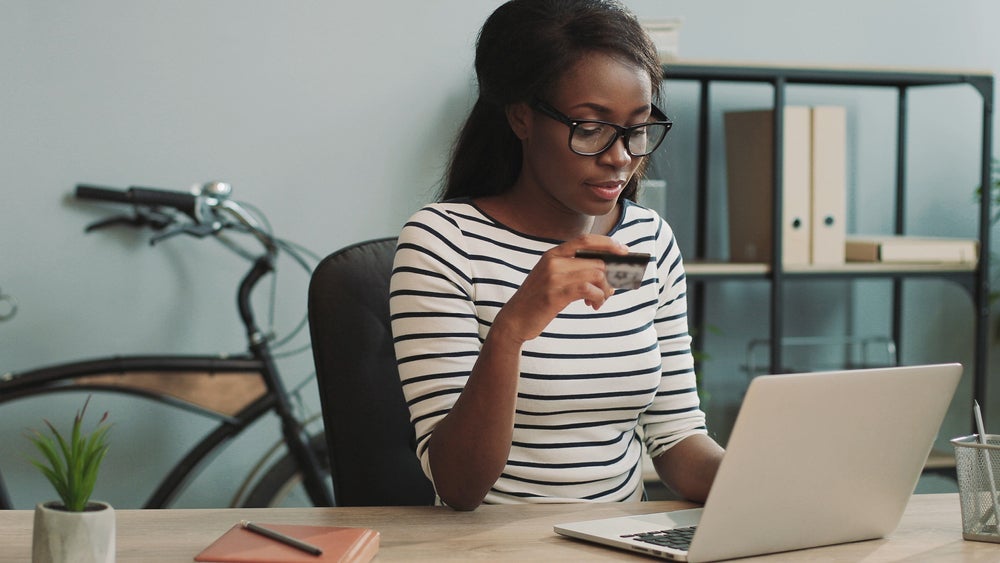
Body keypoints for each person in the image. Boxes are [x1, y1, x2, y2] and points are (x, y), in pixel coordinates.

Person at [389, 0, 724, 511]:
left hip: (619, 541)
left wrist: (760, 482)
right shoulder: (444, 244)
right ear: (521, 117)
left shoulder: (644, 243)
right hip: (492, 549)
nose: (622, 157)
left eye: (637, 128)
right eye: (589, 129)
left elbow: (675, 435)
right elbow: (458, 485)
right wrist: (512, 329)